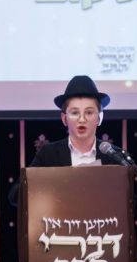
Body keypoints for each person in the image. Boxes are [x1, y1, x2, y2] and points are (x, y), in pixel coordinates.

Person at [8, 75, 117, 205]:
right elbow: (15, 196)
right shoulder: (48, 155)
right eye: (75, 113)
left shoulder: (114, 156)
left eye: (89, 112)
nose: (82, 119)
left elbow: (131, 201)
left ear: (99, 118)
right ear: (64, 119)